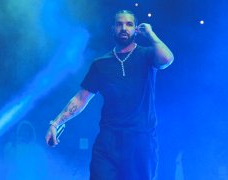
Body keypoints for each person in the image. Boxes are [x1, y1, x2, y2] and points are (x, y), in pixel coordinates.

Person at [45, 10, 174, 180]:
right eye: (119, 24)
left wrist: (150, 34)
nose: (124, 28)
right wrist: (56, 123)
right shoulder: (101, 64)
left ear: (136, 29)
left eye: (129, 24)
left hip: (140, 138)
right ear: (112, 28)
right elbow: (81, 98)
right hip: (108, 141)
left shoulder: (147, 55)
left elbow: (167, 59)